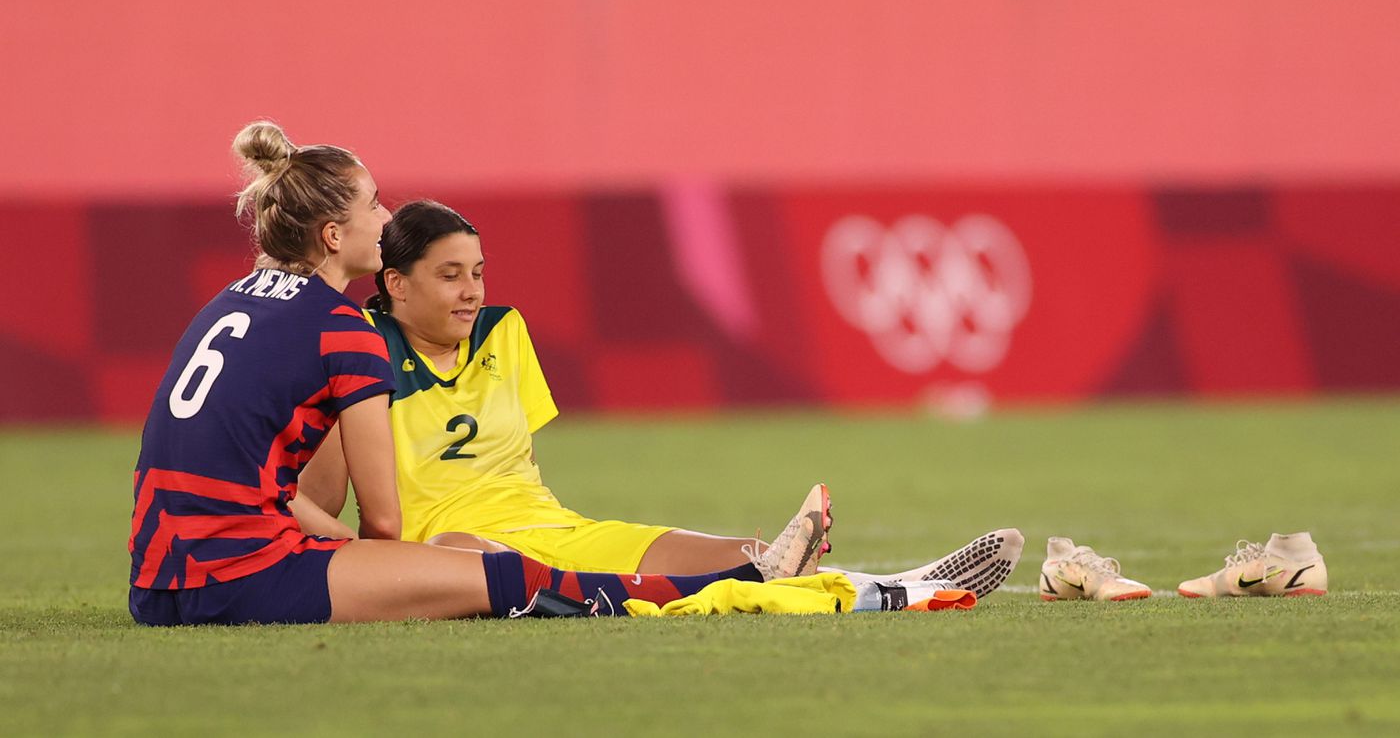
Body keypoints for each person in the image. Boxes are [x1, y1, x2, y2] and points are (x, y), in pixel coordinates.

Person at [127, 123, 833, 626]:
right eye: (373, 203)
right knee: (501, 578)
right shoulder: (343, 331)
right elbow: (381, 522)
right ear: (334, 236)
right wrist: (397, 577)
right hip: (236, 576)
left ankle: (746, 571)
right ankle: (730, 587)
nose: (387, 214)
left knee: (498, 566)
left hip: (156, 573)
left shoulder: (226, 302)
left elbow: (274, 482)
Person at [296, 199, 1024, 597]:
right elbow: (326, 500)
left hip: (553, 530)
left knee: (751, 556)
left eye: (478, 271)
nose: (473, 290)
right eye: (451, 274)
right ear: (395, 283)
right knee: (496, 559)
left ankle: (905, 586)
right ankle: (899, 589)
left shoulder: (504, 332)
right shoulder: (357, 345)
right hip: (449, 550)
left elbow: (518, 470)